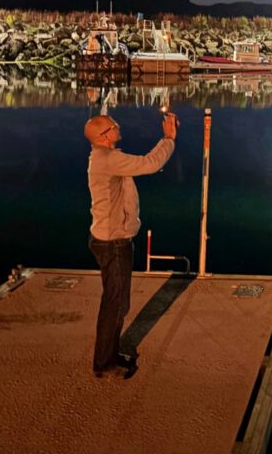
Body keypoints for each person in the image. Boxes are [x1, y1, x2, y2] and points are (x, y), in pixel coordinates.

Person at [84, 111, 178, 379]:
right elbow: (149, 164)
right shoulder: (108, 159)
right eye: (115, 125)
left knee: (114, 302)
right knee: (115, 305)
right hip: (114, 242)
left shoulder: (104, 158)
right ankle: (104, 363)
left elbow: (144, 164)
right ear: (104, 136)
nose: (118, 127)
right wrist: (168, 138)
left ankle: (108, 355)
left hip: (107, 238)